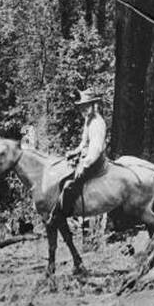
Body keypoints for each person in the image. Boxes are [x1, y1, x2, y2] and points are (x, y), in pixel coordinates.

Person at [51, 89, 107, 224]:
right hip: (87, 156)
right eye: (82, 106)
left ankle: (76, 215)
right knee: (63, 172)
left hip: (95, 160)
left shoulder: (97, 123)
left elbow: (96, 148)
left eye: (87, 106)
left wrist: (85, 164)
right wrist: (75, 152)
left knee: (70, 185)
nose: (84, 109)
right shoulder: (88, 120)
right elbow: (84, 142)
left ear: (94, 105)